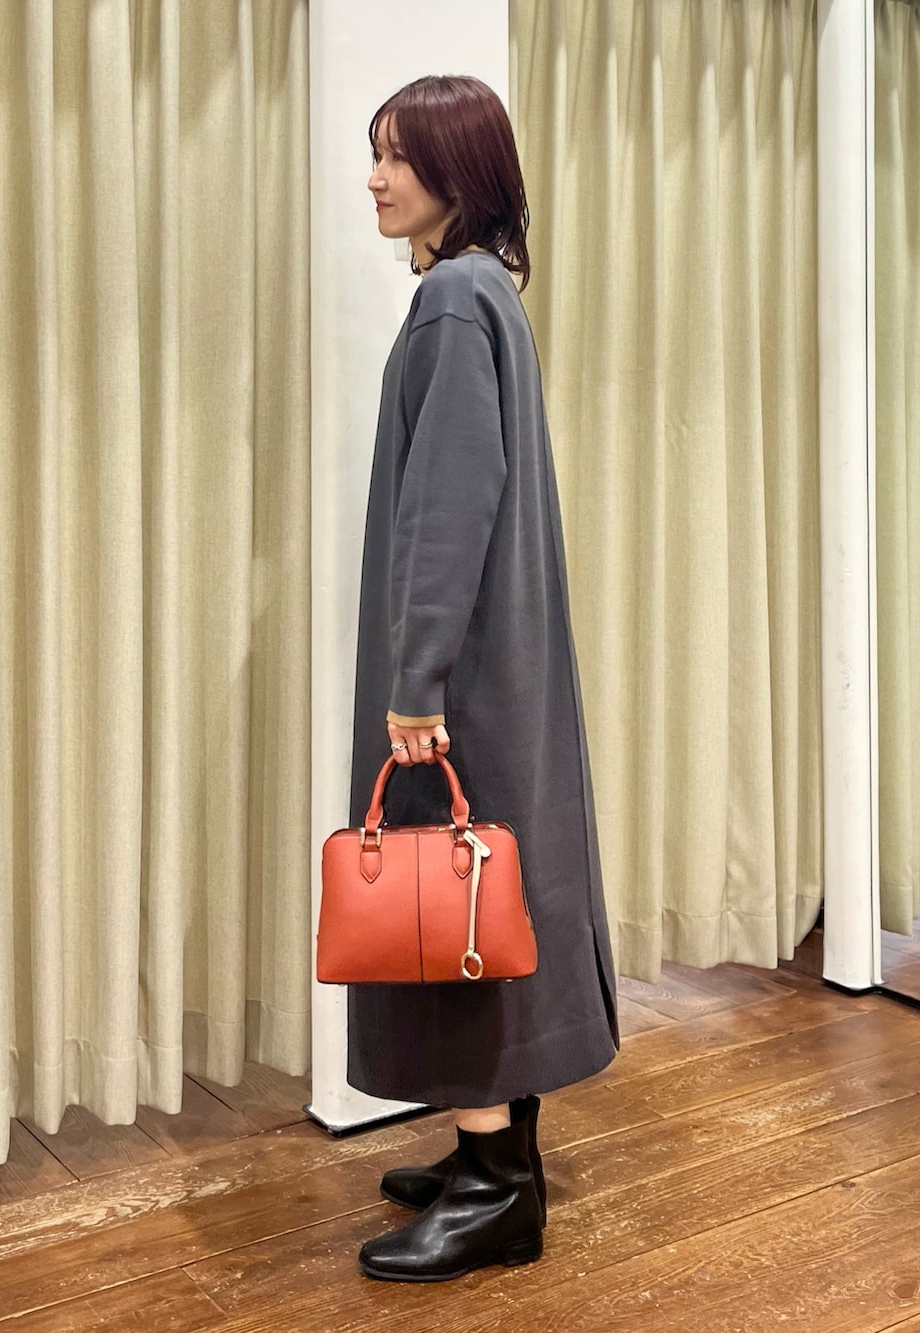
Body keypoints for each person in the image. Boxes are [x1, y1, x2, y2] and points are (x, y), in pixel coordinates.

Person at [347, 74, 619, 1283]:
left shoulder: (452, 300)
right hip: (497, 666)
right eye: (373, 153)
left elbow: (450, 505)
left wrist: (418, 679)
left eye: (397, 156)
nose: (375, 178)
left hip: (458, 681)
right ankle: (496, 1157)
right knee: (486, 899)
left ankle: (496, 1189)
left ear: (457, 171)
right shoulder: (484, 291)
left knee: (452, 909)